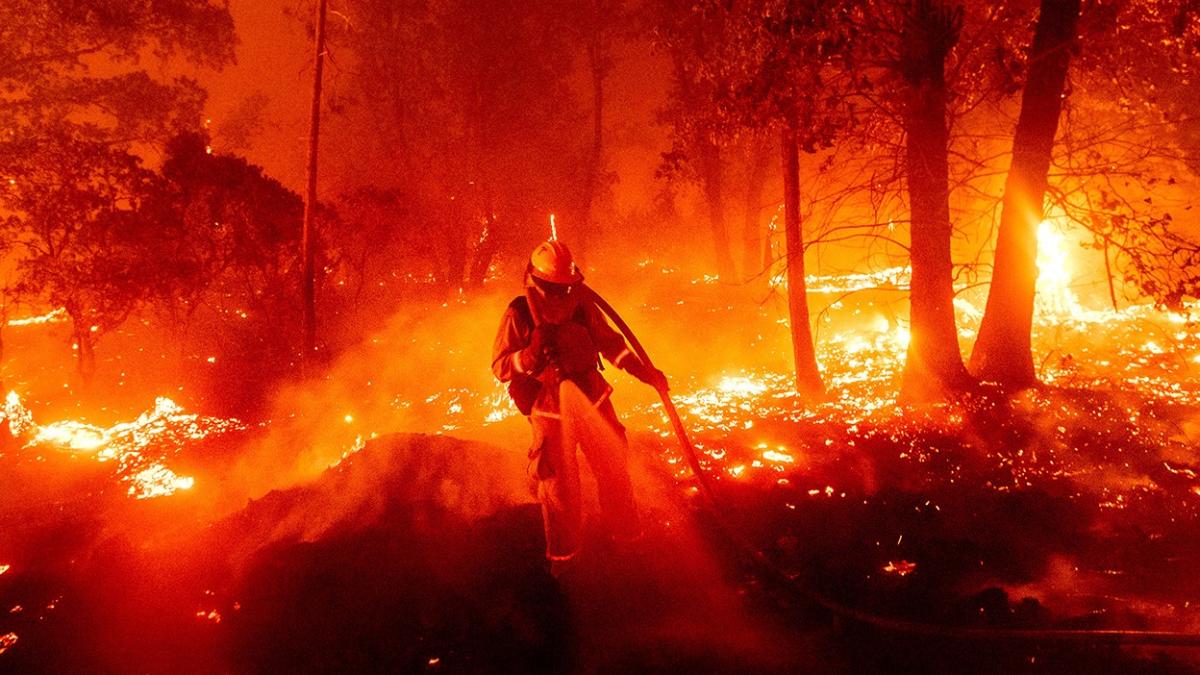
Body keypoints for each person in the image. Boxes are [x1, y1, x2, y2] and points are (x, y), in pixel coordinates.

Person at [491, 239, 667, 574]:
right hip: (550, 409)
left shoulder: (582, 304)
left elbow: (612, 345)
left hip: (592, 399)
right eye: (553, 288)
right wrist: (529, 356)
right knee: (558, 485)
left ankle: (628, 540)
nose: (560, 296)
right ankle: (564, 559)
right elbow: (500, 367)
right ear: (536, 282)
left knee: (614, 468)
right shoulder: (519, 313)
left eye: (565, 288)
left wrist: (643, 371)